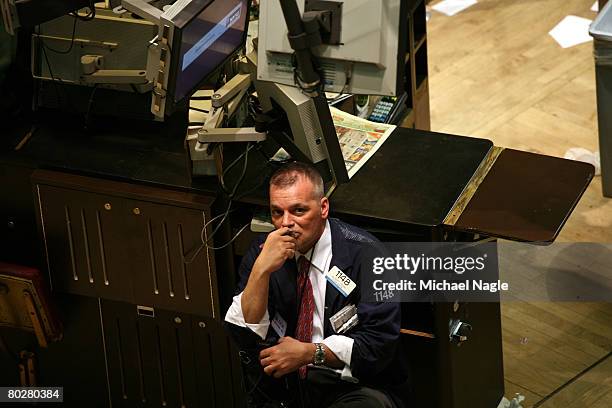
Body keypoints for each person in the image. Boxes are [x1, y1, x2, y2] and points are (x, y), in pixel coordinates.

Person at [225, 161, 409, 407]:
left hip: (352, 384)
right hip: (285, 386)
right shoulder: (264, 252)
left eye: (298, 211)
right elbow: (245, 333)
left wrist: (310, 353)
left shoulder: (368, 255)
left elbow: (378, 345)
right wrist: (261, 270)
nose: (286, 223)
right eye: (277, 212)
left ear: (323, 208)